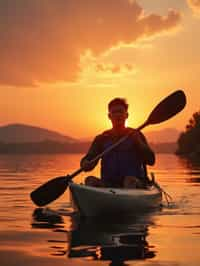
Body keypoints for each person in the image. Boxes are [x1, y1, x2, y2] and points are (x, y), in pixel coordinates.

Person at [80, 98, 155, 188]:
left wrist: (139, 142)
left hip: (135, 183)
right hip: (109, 185)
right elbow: (89, 158)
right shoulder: (101, 138)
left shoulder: (136, 135)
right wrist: (85, 163)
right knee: (90, 180)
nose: (118, 115)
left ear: (126, 115)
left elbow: (151, 160)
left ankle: (128, 197)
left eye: (120, 112)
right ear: (109, 116)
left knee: (129, 181)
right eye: (114, 112)